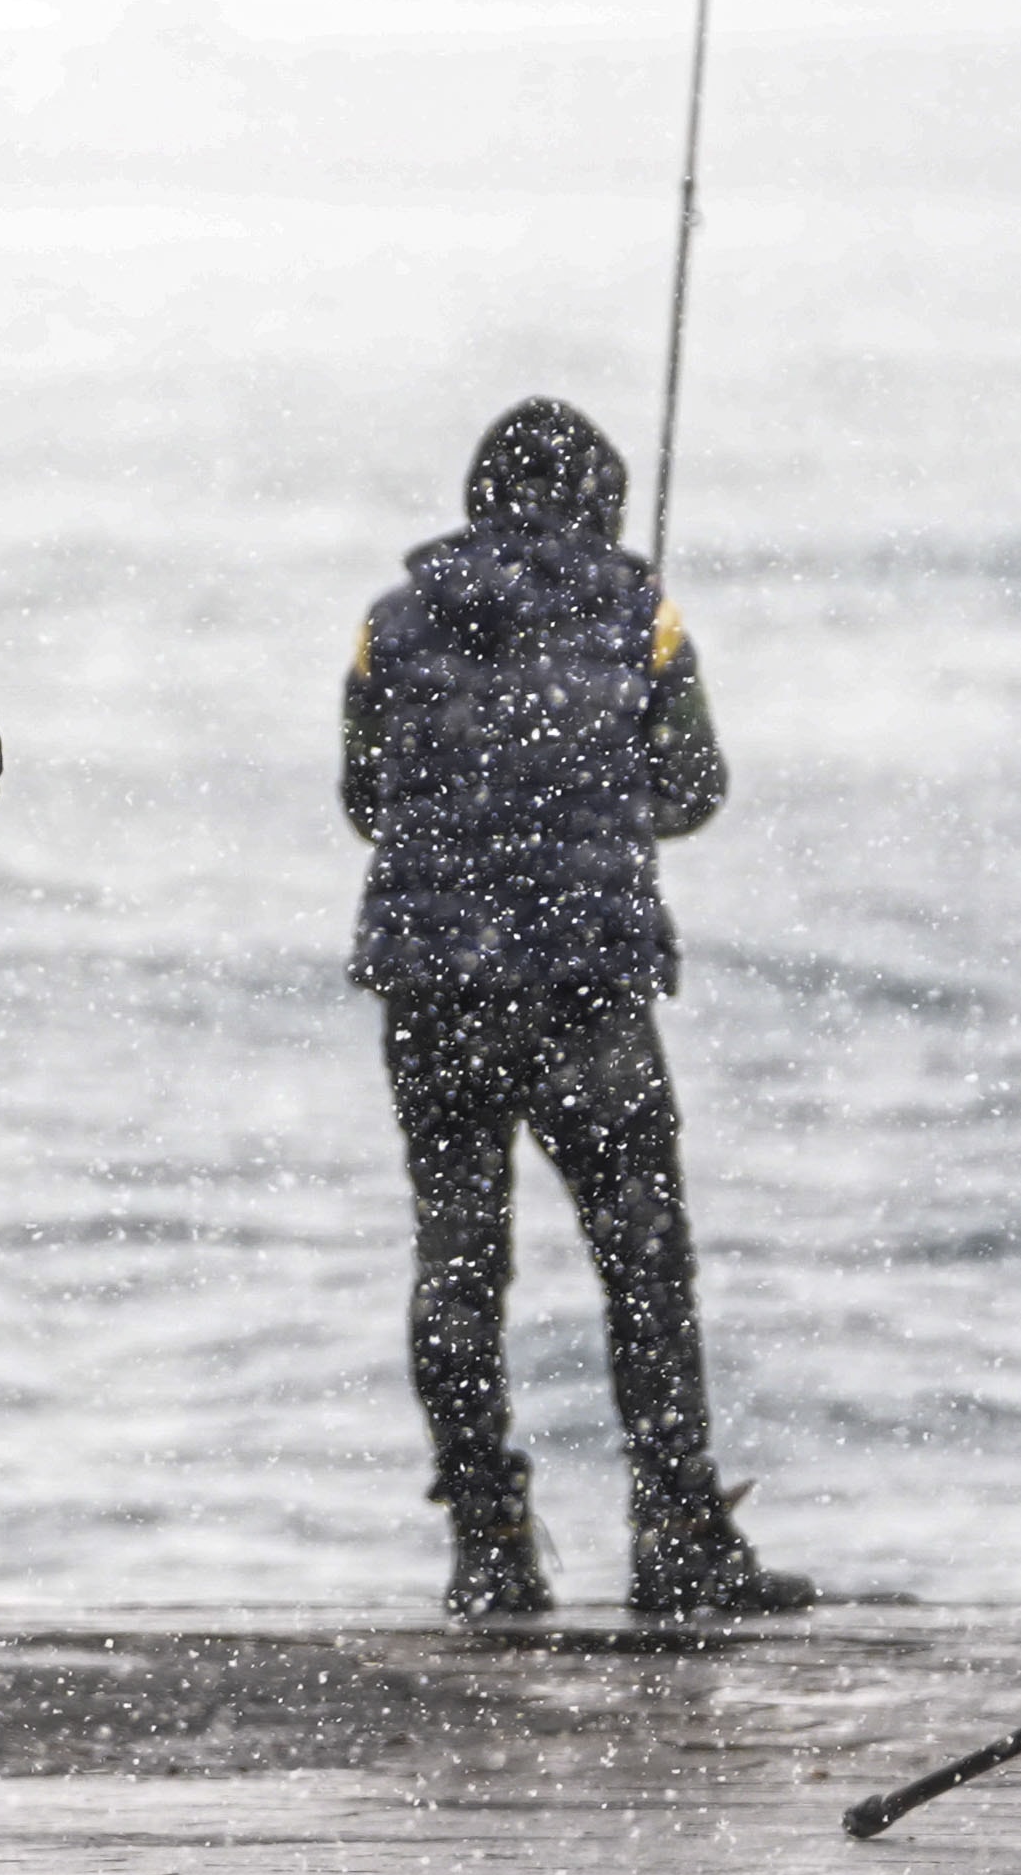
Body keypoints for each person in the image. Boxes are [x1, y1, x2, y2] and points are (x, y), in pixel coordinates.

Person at [346, 397, 810, 1623]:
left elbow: (364, 794)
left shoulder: (392, 624)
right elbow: (695, 787)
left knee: (457, 1258)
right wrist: (602, 807)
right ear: (600, 499)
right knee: (643, 1261)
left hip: (436, 987)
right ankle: (677, 1537)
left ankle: (490, 1548)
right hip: (583, 988)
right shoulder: (638, 616)